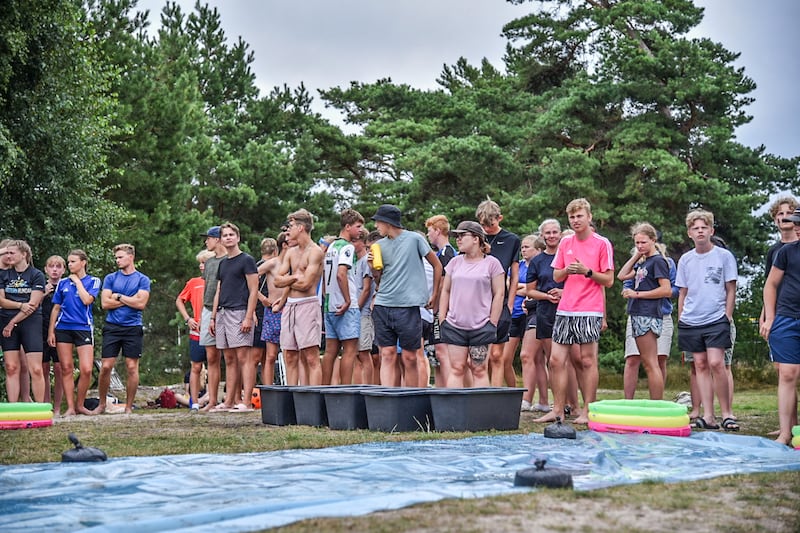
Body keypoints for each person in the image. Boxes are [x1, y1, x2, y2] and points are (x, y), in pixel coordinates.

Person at [536, 199, 614, 425]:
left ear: (589, 217)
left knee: (588, 360)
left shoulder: (602, 243)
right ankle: (558, 409)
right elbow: (556, 276)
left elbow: (608, 280)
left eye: (579, 216)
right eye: (572, 217)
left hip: (590, 309)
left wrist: (587, 271)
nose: (576, 220)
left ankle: (588, 410)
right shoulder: (565, 242)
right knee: (555, 360)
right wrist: (568, 271)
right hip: (565, 309)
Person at [676, 209, 738, 431]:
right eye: (695, 228)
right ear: (689, 233)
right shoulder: (686, 259)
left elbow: (731, 288)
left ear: (711, 230)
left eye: (704, 227)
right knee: (700, 364)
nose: (700, 231)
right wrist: (681, 316)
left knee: (716, 363)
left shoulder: (724, 256)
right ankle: (708, 416)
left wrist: (727, 316)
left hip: (716, 317)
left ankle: (727, 414)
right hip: (691, 319)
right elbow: (682, 291)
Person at [370, 204, 442, 388]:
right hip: (383, 305)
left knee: (410, 357)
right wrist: (373, 269)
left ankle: (409, 400)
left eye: (378, 221)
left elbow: (437, 266)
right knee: (387, 354)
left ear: (388, 222)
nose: (376, 226)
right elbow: (378, 282)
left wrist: (434, 294)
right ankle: (388, 399)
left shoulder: (415, 239)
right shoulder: (378, 245)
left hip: (408, 308)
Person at [439, 221, 505, 388]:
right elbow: (445, 290)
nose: (458, 240)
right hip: (455, 325)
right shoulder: (454, 262)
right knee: (456, 368)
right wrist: (442, 318)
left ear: (476, 238)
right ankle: (454, 412)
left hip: (482, 326)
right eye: (457, 236)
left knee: (479, 369)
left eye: (462, 236)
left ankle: (480, 412)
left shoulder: (492, 263)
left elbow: (499, 293)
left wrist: (493, 322)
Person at [617, 224, 673, 400]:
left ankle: (657, 403)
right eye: (637, 243)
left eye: (644, 242)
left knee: (651, 363)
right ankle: (653, 402)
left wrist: (638, 294)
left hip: (648, 314)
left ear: (653, 241)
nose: (640, 245)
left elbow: (666, 290)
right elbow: (622, 275)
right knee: (648, 362)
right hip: (638, 313)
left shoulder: (658, 262)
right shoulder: (644, 262)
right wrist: (636, 255)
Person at [761, 207, 800, 446]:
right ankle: (785, 432)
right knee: (787, 374)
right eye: (796, 223)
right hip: (786, 319)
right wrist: (770, 318)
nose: (796, 226)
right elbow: (770, 285)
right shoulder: (785, 252)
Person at [210, 222, 259, 412]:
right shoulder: (223, 263)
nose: (228, 237)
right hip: (222, 312)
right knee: (228, 358)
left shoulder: (246, 260)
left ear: (238, 238)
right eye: (225, 235)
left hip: (239, 311)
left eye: (232, 234)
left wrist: (248, 316)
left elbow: (253, 289)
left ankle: (246, 402)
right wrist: (213, 317)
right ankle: (229, 400)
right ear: (221, 239)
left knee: (243, 357)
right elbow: (219, 289)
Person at [97, 243, 151, 414]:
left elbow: (141, 304)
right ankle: (102, 404)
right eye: (116, 258)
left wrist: (119, 296)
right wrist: (130, 299)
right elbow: (105, 303)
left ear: (131, 257)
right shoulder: (111, 278)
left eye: (120, 257)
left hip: (133, 327)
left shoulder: (142, 279)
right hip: (112, 326)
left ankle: (128, 407)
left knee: (132, 367)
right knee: (106, 366)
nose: (117, 260)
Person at [274, 209, 325, 386]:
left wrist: (287, 280)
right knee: (289, 355)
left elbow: (306, 285)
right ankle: (291, 397)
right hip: (290, 306)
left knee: (311, 356)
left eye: (291, 226)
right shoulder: (290, 252)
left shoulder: (315, 252)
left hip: (307, 305)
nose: (288, 230)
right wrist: (294, 278)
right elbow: (276, 281)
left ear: (301, 227)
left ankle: (314, 399)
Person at [48, 250, 101, 416]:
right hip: (63, 328)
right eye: (68, 262)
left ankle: (80, 404)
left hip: (83, 327)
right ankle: (70, 407)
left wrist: (77, 282)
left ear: (83, 262)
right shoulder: (63, 283)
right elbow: (56, 307)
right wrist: (51, 331)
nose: (69, 265)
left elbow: (87, 300)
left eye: (72, 262)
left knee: (86, 369)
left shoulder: (93, 280)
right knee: (66, 368)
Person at [476, 199, 520, 388]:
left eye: (490, 224)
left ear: (499, 218)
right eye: (483, 224)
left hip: (500, 302)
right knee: (479, 356)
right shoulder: (476, 237)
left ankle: (494, 394)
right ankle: (481, 395)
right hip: (478, 302)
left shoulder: (512, 240)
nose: (486, 228)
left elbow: (515, 275)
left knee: (496, 355)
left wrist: (510, 304)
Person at [321, 209, 365, 385]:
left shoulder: (331, 246)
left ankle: (324, 389)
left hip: (329, 304)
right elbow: (341, 274)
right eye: (358, 226)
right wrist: (347, 300)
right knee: (349, 350)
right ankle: (345, 390)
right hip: (345, 306)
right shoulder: (347, 247)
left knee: (330, 350)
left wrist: (326, 297)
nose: (361, 230)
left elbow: (325, 277)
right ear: (347, 227)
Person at [0, 240, 47, 402]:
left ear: (24, 254)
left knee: (35, 368)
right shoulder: (4, 274)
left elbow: (33, 305)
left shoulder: (36, 275)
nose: (8, 256)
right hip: (6, 321)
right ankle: (13, 407)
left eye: (12, 253)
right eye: (6, 253)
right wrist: (20, 304)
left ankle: (40, 407)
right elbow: (2, 301)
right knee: (11, 367)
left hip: (30, 323)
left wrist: (12, 322)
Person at [175, 249, 215, 410]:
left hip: (214, 330)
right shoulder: (193, 282)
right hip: (197, 331)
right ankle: (194, 402)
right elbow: (179, 300)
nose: (201, 266)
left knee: (213, 364)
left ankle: (212, 399)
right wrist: (188, 319)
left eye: (204, 263)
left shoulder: (219, 282)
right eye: (199, 263)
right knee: (196, 366)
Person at [519, 234, 551, 412]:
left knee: (527, 355)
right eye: (522, 247)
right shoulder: (528, 266)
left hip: (540, 313)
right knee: (539, 359)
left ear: (539, 250)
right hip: (532, 312)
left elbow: (537, 291)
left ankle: (527, 399)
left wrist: (528, 298)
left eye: (527, 247)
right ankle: (544, 402)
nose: (523, 250)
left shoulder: (542, 265)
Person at [425, 214, 456, 387]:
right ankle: (440, 390)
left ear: (438, 231)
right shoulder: (442, 253)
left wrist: (437, 307)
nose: (428, 235)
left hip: (444, 311)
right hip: (439, 310)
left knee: (443, 352)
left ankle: (449, 391)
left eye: (429, 231)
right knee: (437, 353)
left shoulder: (447, 253)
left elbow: (446, 283)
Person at [198, 226, 226, 412]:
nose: (206, 242)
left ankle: (232, 397)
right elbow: (208, 288)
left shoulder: (228, 261)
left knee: (231, 357)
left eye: (208, 238)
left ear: (217, 239)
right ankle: (212, 400)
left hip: (226, 310)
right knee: (211, 357)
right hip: (208, 309)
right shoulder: (209, 263)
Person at [257, 233, 288, 386]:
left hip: (290, 308)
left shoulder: (296, 263)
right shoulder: (273, 263)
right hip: (273, 310)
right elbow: (249, 277)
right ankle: (269, 391)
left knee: (291, 354)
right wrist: (261, 297)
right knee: (270, 355)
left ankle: (292, 388)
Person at [41, 255, 66, 409]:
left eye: (58, 266)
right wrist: (43, 293)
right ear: (46, 269)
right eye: (51, 266)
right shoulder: (39, 286)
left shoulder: (67, 287)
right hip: (40, 330)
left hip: (61, 330)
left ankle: (57, 408)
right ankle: (45, 406)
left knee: (59, 368)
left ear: (64, 270)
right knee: (43, 368)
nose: (55, 270)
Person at [352, 228, 375, 384]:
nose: (352, 244)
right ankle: (359, 386)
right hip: (354, 313)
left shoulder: (366, 261)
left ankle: (368, 386)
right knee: (354, 353)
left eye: (355, 241)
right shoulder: (354, 262)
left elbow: (366, 289)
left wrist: (356, 309)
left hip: (363, 313)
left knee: (364, 352)